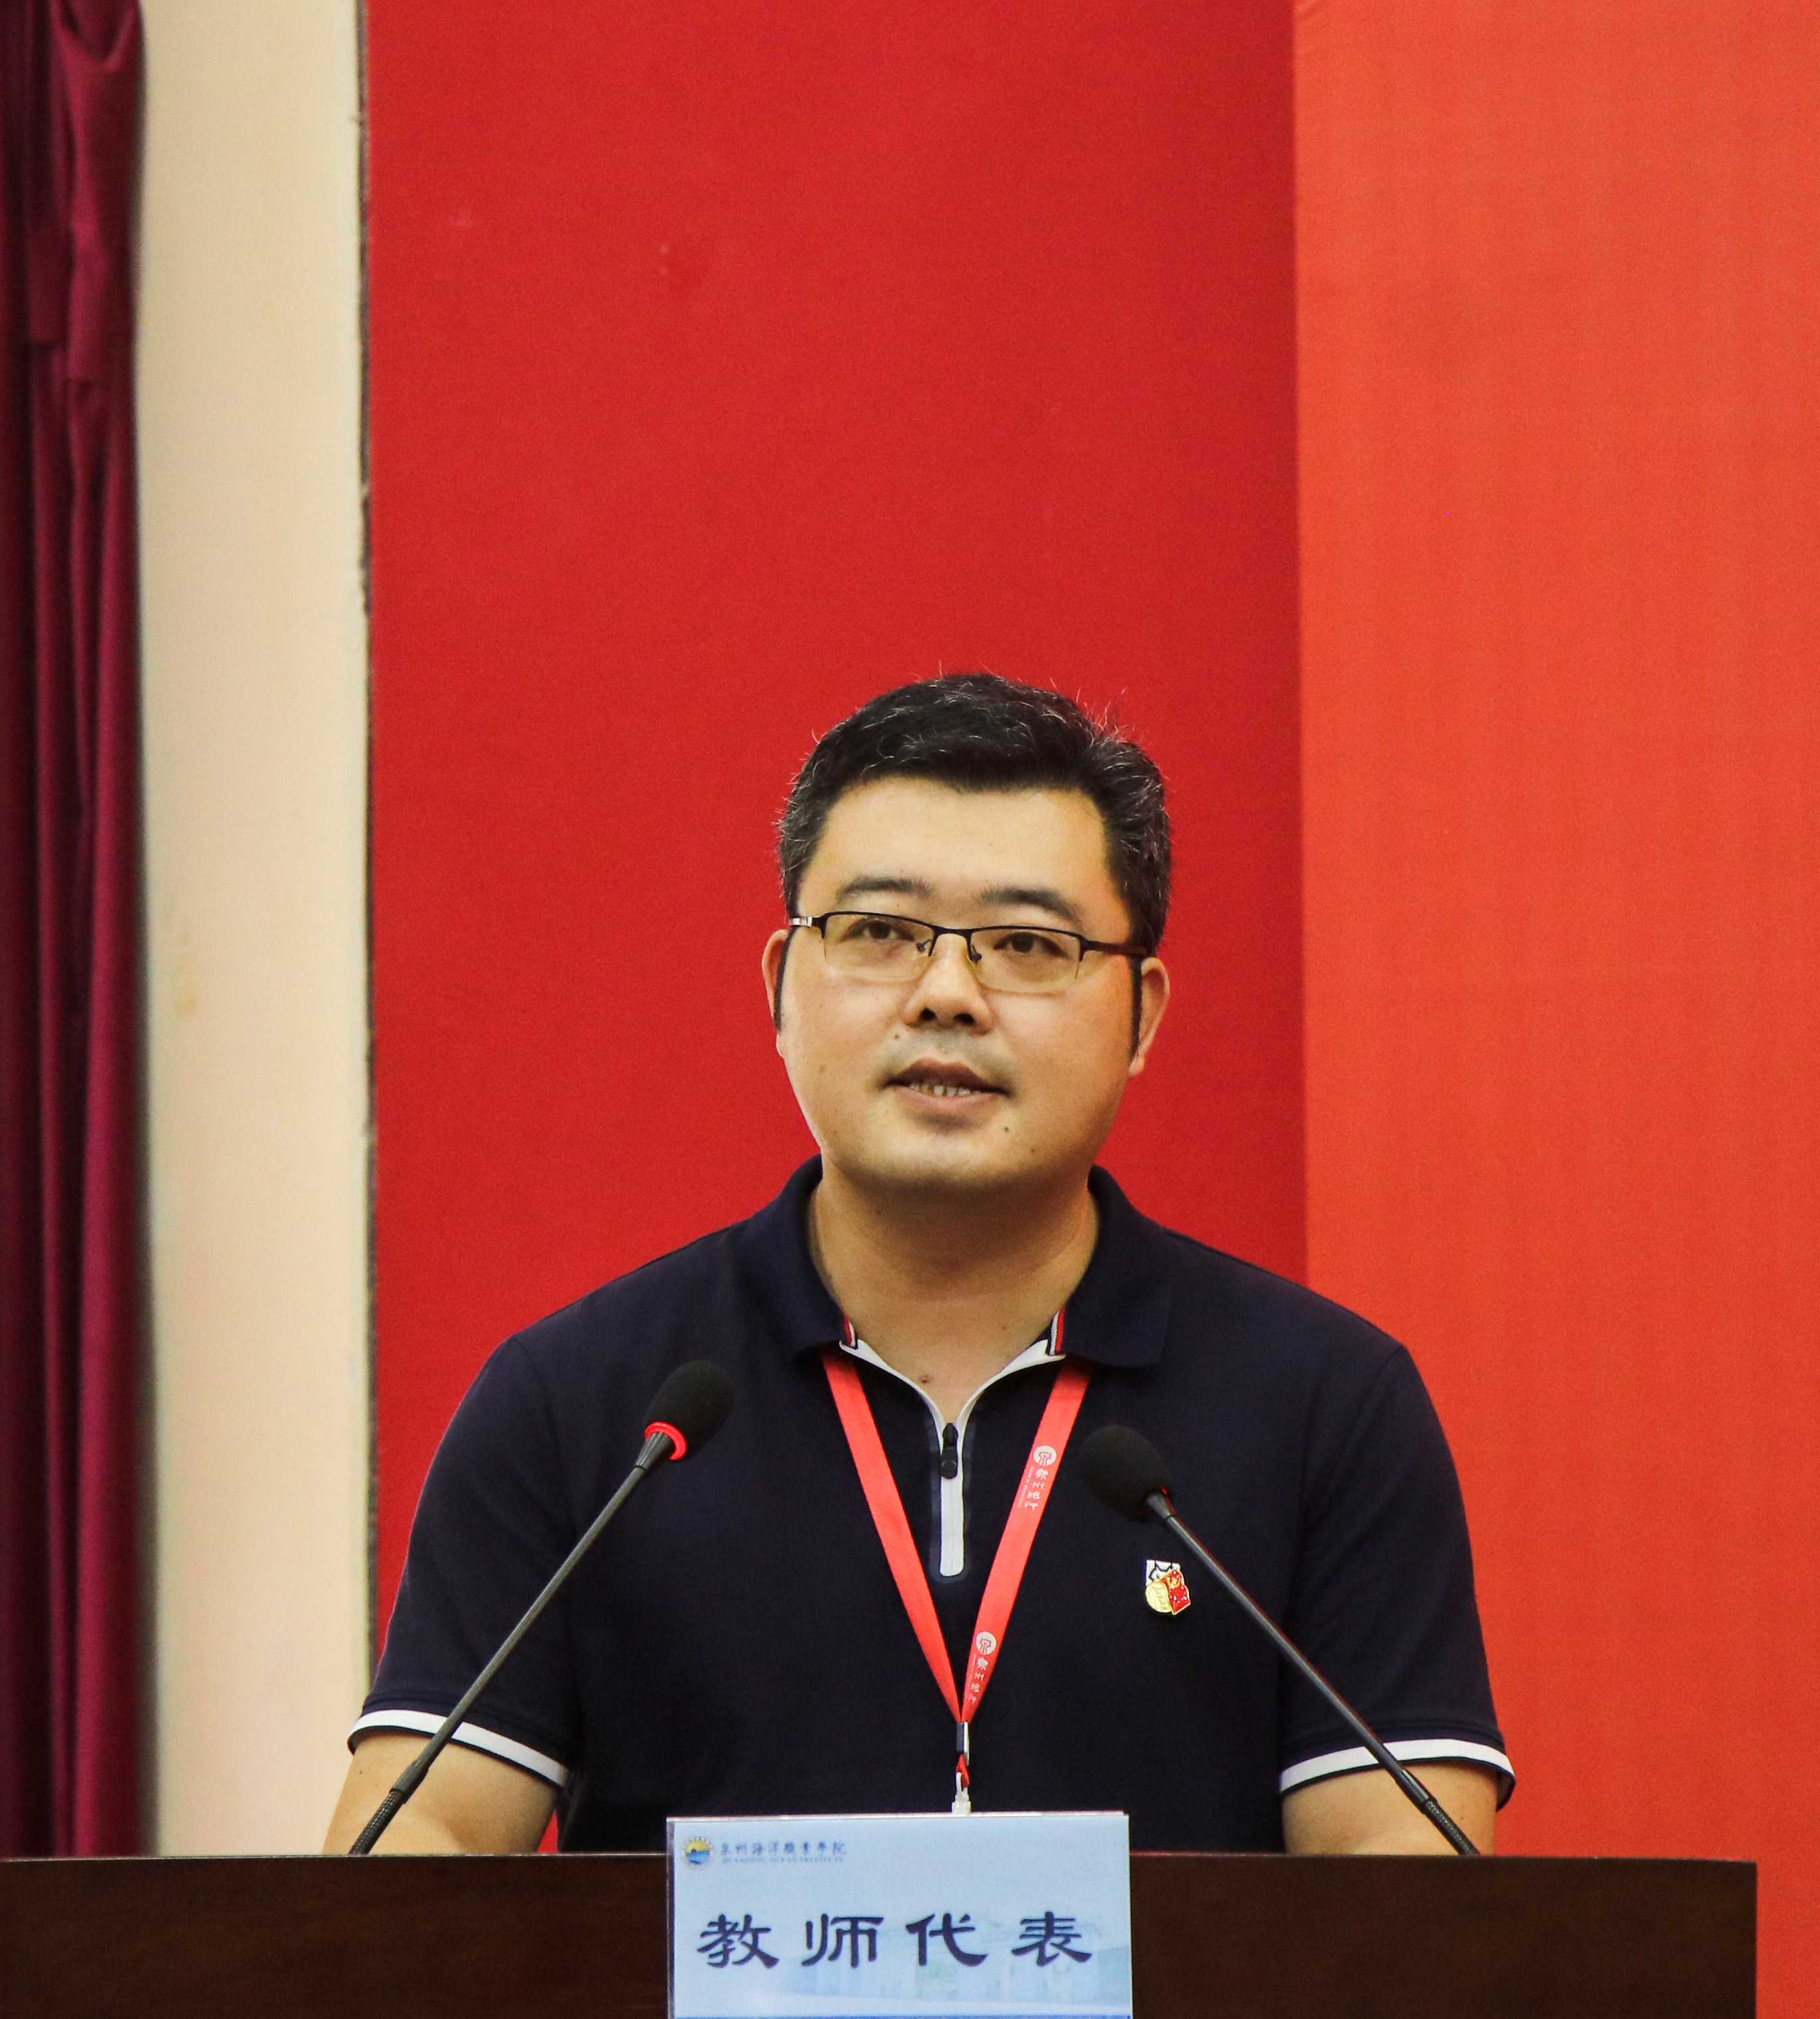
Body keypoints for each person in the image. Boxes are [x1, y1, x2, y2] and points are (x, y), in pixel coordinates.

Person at [327, 673, 1508, 1855]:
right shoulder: (590, 1406)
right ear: (780, 987)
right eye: (880, 934)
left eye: (1028, 945)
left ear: (1142, 1015)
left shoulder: (1323, 1405)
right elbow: (423, 1839)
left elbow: (1398, 1880)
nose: (947, 997)